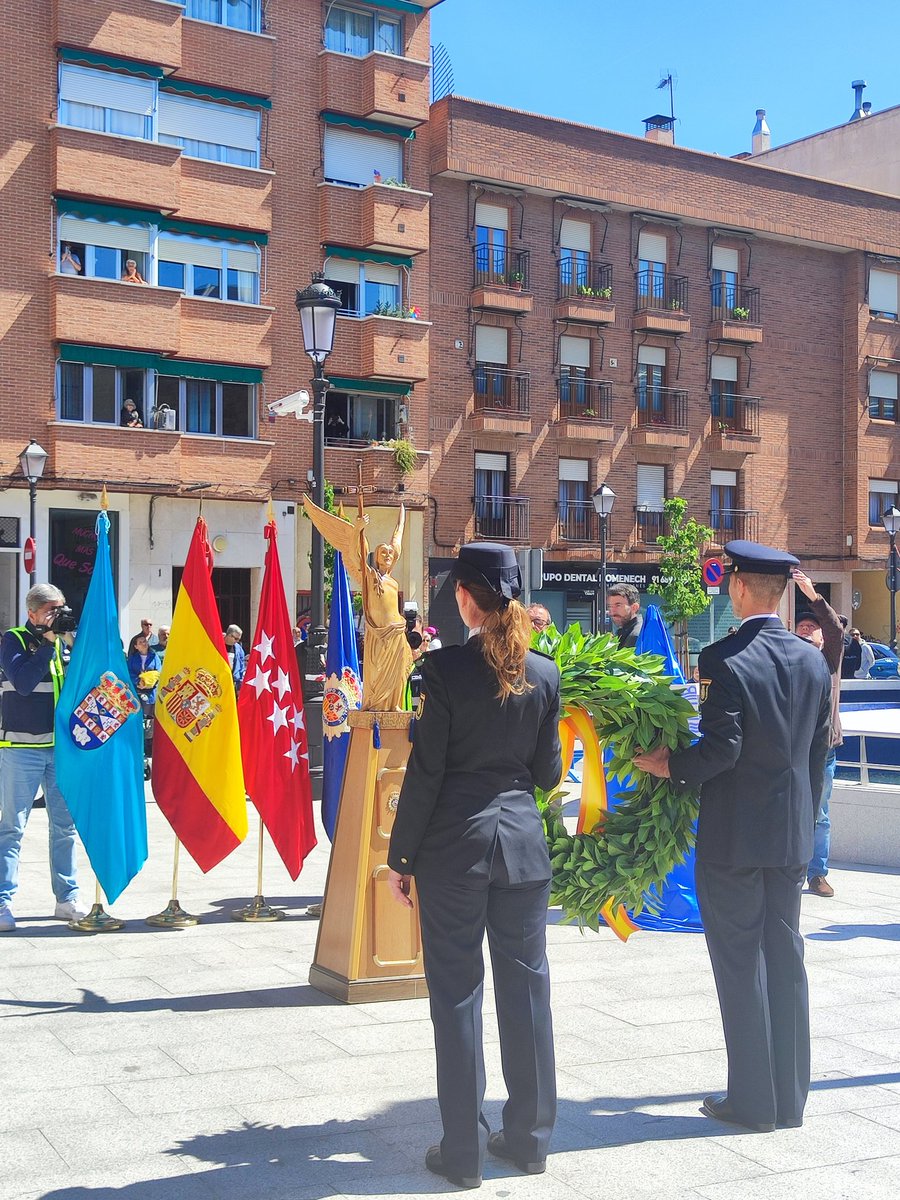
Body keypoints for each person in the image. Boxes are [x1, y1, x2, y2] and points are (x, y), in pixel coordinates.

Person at [634, 540, 831, 1134]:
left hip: (736, 836)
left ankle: (751, 1101)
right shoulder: (812, 660)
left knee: (741, 962)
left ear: (741, 588)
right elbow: (818, 752)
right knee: (786, 958)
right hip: (789, 831)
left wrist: (671, 765)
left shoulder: (724, 658)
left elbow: (723, 748)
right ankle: (789, 1099)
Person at [387, 542, 562, 1188]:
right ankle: (532, 1140)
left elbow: (426, 773)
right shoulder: (543, 675)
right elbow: (547, 773)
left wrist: (400, 857)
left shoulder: (445, 671)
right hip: (522, 849)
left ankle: (463, 1153)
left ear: (464, 597)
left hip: (454, 852)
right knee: (528, 995)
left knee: (458, 997)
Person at [0, 584, 87, 931]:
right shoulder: (14, 639)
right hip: (21, 750)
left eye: (62, 608)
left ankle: (67, 899)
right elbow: (22, 682)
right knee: (12, 829)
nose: (58, 615)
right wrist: (48, 642)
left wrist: (71, 643)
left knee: (64, 828)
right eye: (52, 609)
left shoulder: (65, 644)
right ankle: (3, 903)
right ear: (33, 613)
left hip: (60, 751)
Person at [302, 497, 412, 710]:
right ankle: (377, 704)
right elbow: (354, 553)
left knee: (398, 673)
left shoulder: (393, 580)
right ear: (376, 558)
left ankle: (393, 705)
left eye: (390, 553)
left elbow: (397, 536)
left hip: (397, 634)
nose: (388, 554)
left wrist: (402, 517)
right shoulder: (369, 577)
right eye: (383, 552)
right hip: (379, 634)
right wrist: (357, 530)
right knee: (379, 673)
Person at [794, 572, 844, 899]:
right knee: (790, 811)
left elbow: (836, 627)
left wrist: (813, 596)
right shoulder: (787, 661)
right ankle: (790, 870)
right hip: (792, 749)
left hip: (823, 750)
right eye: (802, 627)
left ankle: (817, 873)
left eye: (814, 628)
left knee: (819, 814)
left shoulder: (830, 660)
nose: (808, 630)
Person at [607, 582, 643, 647]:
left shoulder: (636, 636)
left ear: (634, 607)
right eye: (610, 606)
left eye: (618, 605)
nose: (612, 611)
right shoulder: (626, 632)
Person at [224, 625, 246, 692]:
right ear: (229, 635)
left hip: (232, 682)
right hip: (217, 680)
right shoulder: (217, 643)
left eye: (239, 639)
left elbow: (242, 666)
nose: (237, 641)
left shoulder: (238, 649)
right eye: (236, 639)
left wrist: (239, 684)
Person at [839, 615, 860, 679]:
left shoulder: (830, 642)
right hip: (850, 679)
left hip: (835, 681)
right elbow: (857, 666)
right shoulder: (855, 643)